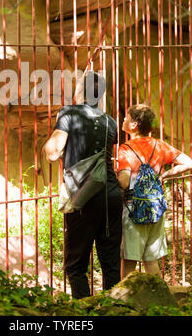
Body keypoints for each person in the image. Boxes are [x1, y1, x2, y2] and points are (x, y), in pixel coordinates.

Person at [42, 71, 123, 299]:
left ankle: (84, 312)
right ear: (102, 94)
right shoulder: (111, 122)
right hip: (111, 196)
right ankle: (112, 311)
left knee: (76, 266)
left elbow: (53, 153)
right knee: (110, 264)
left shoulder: (69, 113)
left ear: (80, 91)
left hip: (83, 197)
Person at [117, 104, 192, 278]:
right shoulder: (159, 145)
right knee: (150, 261)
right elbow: (189, 163)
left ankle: (125, 303)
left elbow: (123, 181)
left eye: (127, 117)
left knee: (129, 261)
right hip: (156, 209)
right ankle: (160, 301)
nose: (123, 119)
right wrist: (165, 175)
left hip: (133, 210)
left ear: (134, 125)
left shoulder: (126, 149)